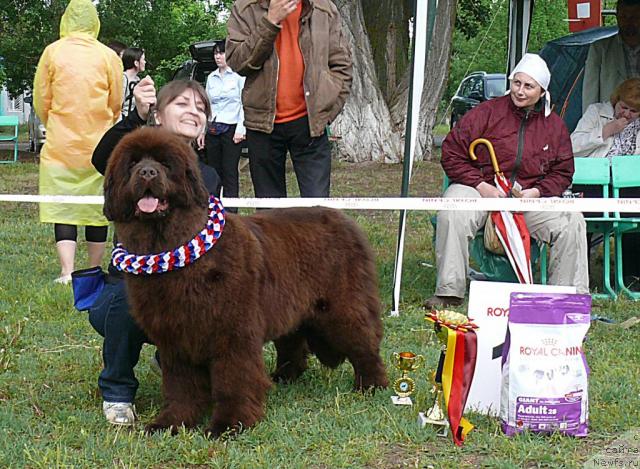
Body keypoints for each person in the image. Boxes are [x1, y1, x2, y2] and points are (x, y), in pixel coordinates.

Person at [90, 78, 221, 426]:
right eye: (182, 103)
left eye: (200, 107)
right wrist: (135, 116)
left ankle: (182, 367)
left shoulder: (207, 173)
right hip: (132, 285)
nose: (193, 111)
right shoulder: (131, 151)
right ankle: (117, 391)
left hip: (188, 283)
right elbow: (102, 158)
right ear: (159, 114)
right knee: (126, 302)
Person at [424, 53, 589, 309]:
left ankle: (569, 300)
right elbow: (452, 152)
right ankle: (449, 292)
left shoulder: (554, 126)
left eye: (528, 86)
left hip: (528, 199)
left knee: (571, 220)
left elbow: (563, 172)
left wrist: (537, 192)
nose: (520, 91)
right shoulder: (486, 113)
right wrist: (481, 186)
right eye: (517, 83)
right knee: (453, 208)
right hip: (479, 189)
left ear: (542, 90)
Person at [33, 0, 122, 284]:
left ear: (66, 20)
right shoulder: (109, 56)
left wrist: (54, 123)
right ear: (95, 22)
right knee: (97, 205)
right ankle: (94, 268)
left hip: (61, 145)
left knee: (63, 203)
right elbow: (117, 100)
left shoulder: (52, 52)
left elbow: (41, 98)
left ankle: (67, 271)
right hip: (99, 146)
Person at [226, 0, 352, 198]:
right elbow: (238, 62)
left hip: (311, 125)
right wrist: (270, 21)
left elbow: (342, 66)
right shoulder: (245, 7)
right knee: (270, 215)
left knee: (317, 212)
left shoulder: (324, 8)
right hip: (262, 125)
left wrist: (326, 112)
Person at [571, 77, 640, 290]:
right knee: (580, 220)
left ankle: (632, 278)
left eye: (634, 111)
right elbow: (572, 146)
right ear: (616, 100)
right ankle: (580, 277)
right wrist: (606, 131)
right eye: (623, 107)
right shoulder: (596, 112)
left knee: (635, 221)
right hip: (592, 181)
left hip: (628, 186)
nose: (626, 114)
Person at [196, 39, 245, 212]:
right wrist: (202, 130)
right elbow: (207, 106)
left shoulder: (239, 76)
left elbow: (243, 103)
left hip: (232, 127)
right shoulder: (211, 77)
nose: (218, 56)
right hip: (213, 127)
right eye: (216, 53)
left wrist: (241, 129)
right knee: (214, 172)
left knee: (230, 171)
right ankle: (214, 210)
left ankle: (232, 211)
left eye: (221, 52)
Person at [582, 0, 640, 113]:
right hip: (610, 119)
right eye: (624, 16)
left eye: (635, 16)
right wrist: (589, 122)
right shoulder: (599, 48)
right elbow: (590, 92)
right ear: (617, 17)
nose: (629, 21)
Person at [121, 47, 146, 118]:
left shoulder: (138, 80)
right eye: (143, 59)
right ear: (136, 63)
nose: (145, 62)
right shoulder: (123, 79)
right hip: (123, 121)